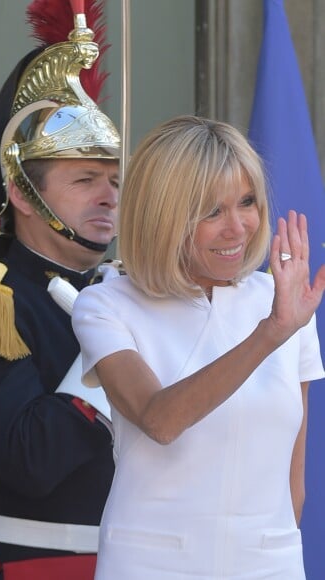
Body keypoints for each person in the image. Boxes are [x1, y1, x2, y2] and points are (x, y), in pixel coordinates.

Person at [72, 115, 325, 580]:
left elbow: (294, 479)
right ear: (163, 215)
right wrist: (270, 333)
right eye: (211, 211)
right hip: (152, 566)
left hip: (270, 565)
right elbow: (161, 420)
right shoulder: (106, 303)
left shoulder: (281, 301)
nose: (238, 228)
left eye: (246, 202)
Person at [0, 2, 120, 579]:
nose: (109, 197)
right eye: (84, 180)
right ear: (23, 194)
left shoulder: (118, 288)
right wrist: (116, 345)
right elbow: (31, 460)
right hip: (43, 563)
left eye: (114, 181)